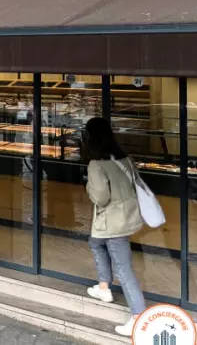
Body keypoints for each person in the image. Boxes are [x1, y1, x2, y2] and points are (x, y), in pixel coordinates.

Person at [82, 116, 147, 337]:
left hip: (112, 222)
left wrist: (88, 188)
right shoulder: (125, 159)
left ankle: (139, 318)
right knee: (95, 242)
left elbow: (100, 197)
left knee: (124, 269)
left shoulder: (96, 165)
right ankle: (103, 288)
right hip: (127, 218)